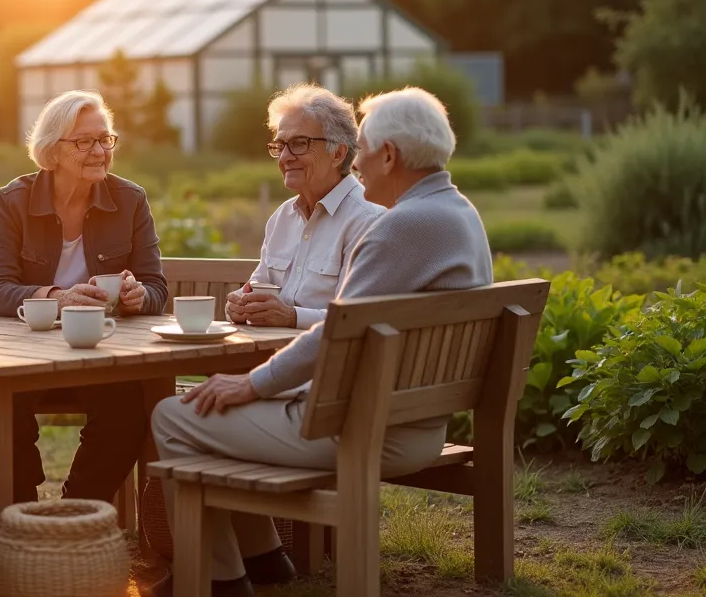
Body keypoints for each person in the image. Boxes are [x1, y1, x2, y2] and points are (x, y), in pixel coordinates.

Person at [142, 87, 494, 597]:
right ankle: (263, 560)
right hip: (407, 418)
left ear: (388, 154)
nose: (360, 163)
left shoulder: (399, 226)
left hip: (367, 429)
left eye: (364, 150)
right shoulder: (459, 213)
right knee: (210, 408)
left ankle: (217, 579)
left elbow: (337, 330)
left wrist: (253, 385)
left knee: (172, 416)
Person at [0, 89, 168, 505]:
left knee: (127, 407)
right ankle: (22, 513)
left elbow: (157, 288)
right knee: (3, 404)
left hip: (100, 355)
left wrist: (139, 296)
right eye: (84, 141)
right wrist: (57, 298)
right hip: (25, 356)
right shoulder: (13, 201)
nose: (100, 150)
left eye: (105, 139)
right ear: (52, 150)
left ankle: (75, 510)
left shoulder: (130, 200)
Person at [226, 84, 383, 339]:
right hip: (265, 358)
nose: (285, 157)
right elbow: (254, 288)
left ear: (338, 153)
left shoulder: (368, 220)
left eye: (299, 143)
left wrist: (291, 317)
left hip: (326, 368)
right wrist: (240, 304)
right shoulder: (281, 218)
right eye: (280, 146)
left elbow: (355, 316)